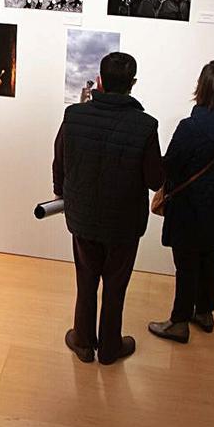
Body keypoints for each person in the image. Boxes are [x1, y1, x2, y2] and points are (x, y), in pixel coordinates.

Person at [52, 52, 164, 365]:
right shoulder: (145, 126)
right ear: (133, 83)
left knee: (86, 279)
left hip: (83, 216)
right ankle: (110, 348)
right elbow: (155, 179)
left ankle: (84, 342)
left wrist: (62, 193)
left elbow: (60, 159)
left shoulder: (74, 116)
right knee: (116, 285)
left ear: (100, 80)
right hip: (124, 223)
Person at [148, 61, 214, 343]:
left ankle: (178, 322)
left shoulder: (191, 128)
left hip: (189, 206)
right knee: (209, 255)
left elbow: (169, 166)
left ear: (202, 89)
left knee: (186, 263)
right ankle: (204, 312)